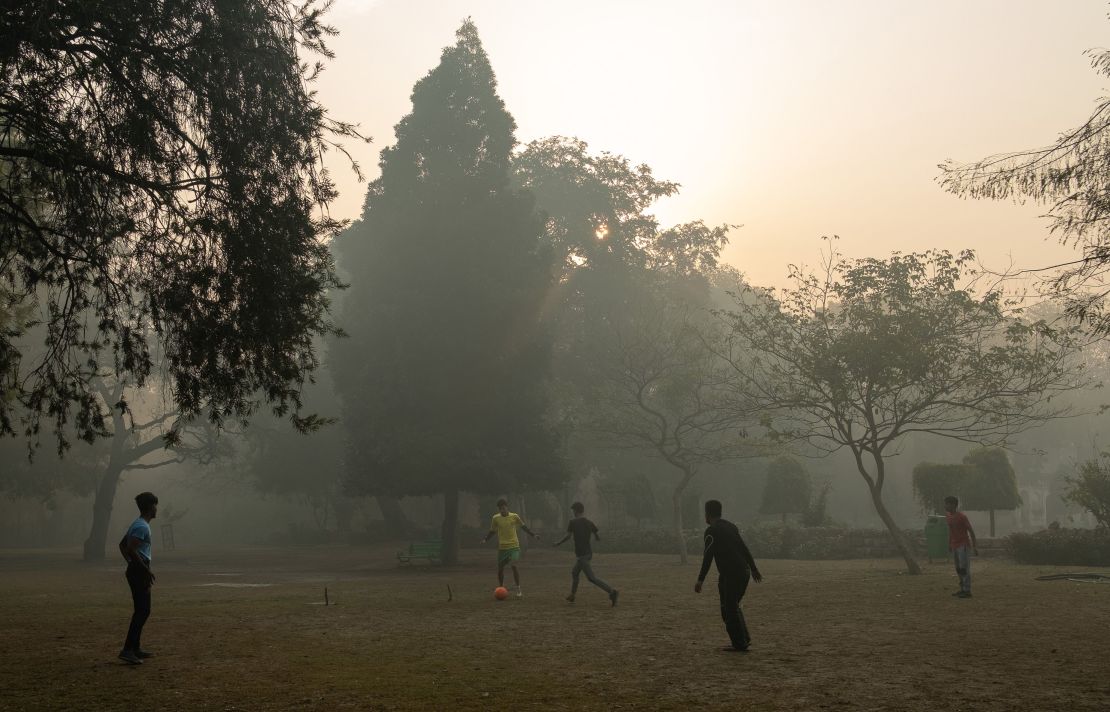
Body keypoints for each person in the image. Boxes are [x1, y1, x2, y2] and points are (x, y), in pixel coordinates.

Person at [694, 499, 762, 652]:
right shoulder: (731, 527)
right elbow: (744, 548)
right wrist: (753, 569)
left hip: (733, 574)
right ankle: (743, 639)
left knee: (730, 607)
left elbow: (708, 556)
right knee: (730, 606)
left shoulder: (711, 531)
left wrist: (700, 579)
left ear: (707, 514)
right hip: (740, 572)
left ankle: (740, 643)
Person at [118, 491, 158, 664]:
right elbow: (131, 549)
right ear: (150, 507)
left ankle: (135, 648)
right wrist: (144, 570)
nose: (157, 509)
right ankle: (127, 650)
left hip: (136, 568)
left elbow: (122, 545)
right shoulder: (142, 526)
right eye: (155, 505)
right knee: (143, 610)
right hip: (139, 570)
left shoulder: (138, 524)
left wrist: (131, 563)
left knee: (142, 610)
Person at [553, 502, 619, 606]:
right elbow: (596, 533)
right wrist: (596, 537)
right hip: (587, 553)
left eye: (573, 510)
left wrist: (558, 543)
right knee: (575, 572)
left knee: (591, 578)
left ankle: (612, 591)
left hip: (582, 555)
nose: (573, 512)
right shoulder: (588, 522)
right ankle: (572, 595)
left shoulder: (573, 522)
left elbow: (568, 536)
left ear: (576, 510)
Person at [480, 498, 538, 598]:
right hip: (502, 547)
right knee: (500, 568)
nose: (502, 510)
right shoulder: (496, 518)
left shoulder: (514, 516)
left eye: (503, 508)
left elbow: (523, 527)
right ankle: (501, 588)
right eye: (500, 509)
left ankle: (518, 588)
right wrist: (485, 539)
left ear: (507, 507)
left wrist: (533, 535)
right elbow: (492, 531)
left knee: (513, 565)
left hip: (514, 546)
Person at [944, 495, 979, 598]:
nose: (945, 506)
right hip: (955, 545)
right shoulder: (949, 517)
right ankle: (962, 588)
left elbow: (971, 531)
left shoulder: (962, 517)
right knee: (958, 568)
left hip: (963, 545)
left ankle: (967, 590)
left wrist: (975, 546)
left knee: (964, 568)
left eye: (947, 504)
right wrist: (949, 544)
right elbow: (951, 531)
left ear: (953, 505)